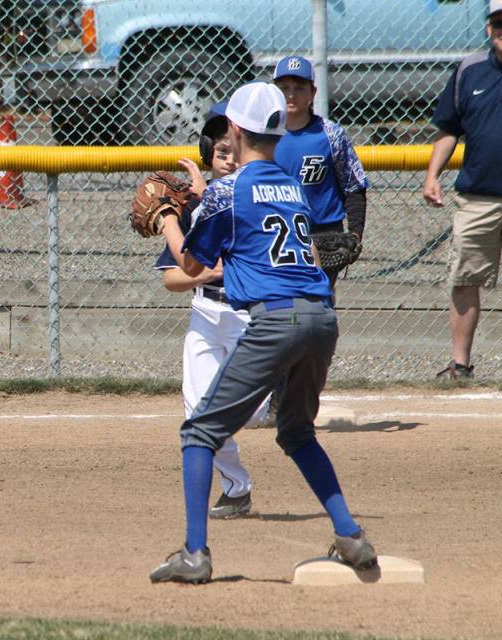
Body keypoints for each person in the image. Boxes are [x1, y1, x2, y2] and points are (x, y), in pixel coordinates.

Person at [149, 82, 377, 584]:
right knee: (295, 432)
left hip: (276, 320)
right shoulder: (293, 187)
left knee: (199, 432)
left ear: (234, 129)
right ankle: (350, 535)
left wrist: (168, 217)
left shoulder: (229, 190)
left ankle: (194, 553)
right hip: (322, 317)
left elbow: (188, 261)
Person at [154, 103, 272, 521]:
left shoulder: (258, 196)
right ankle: (236, 488)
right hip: (204, 316)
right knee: (198, 413)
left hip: (246, 317)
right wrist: (204, 274)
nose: (227, 159)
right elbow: (172, 277)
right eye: (219, 152)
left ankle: (277, 397)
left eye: (232, 149)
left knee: (252, 415)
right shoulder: (193, 207)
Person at [422, 0, 502, 379]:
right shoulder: (469, 70)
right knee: (464, 279)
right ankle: (460, 364)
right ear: (488, 27)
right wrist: (432, 176)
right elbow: (449, 130)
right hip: (477, 196)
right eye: (499, 22)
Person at [272, 55, 370, 291]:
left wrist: (355, 234)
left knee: (318, 311)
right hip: (274, 234)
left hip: (323, 235)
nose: (291, 95)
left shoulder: (331, 134)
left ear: (313, 93)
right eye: (284, 88)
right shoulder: (262, 133)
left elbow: (354, 186)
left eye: (299, 88)